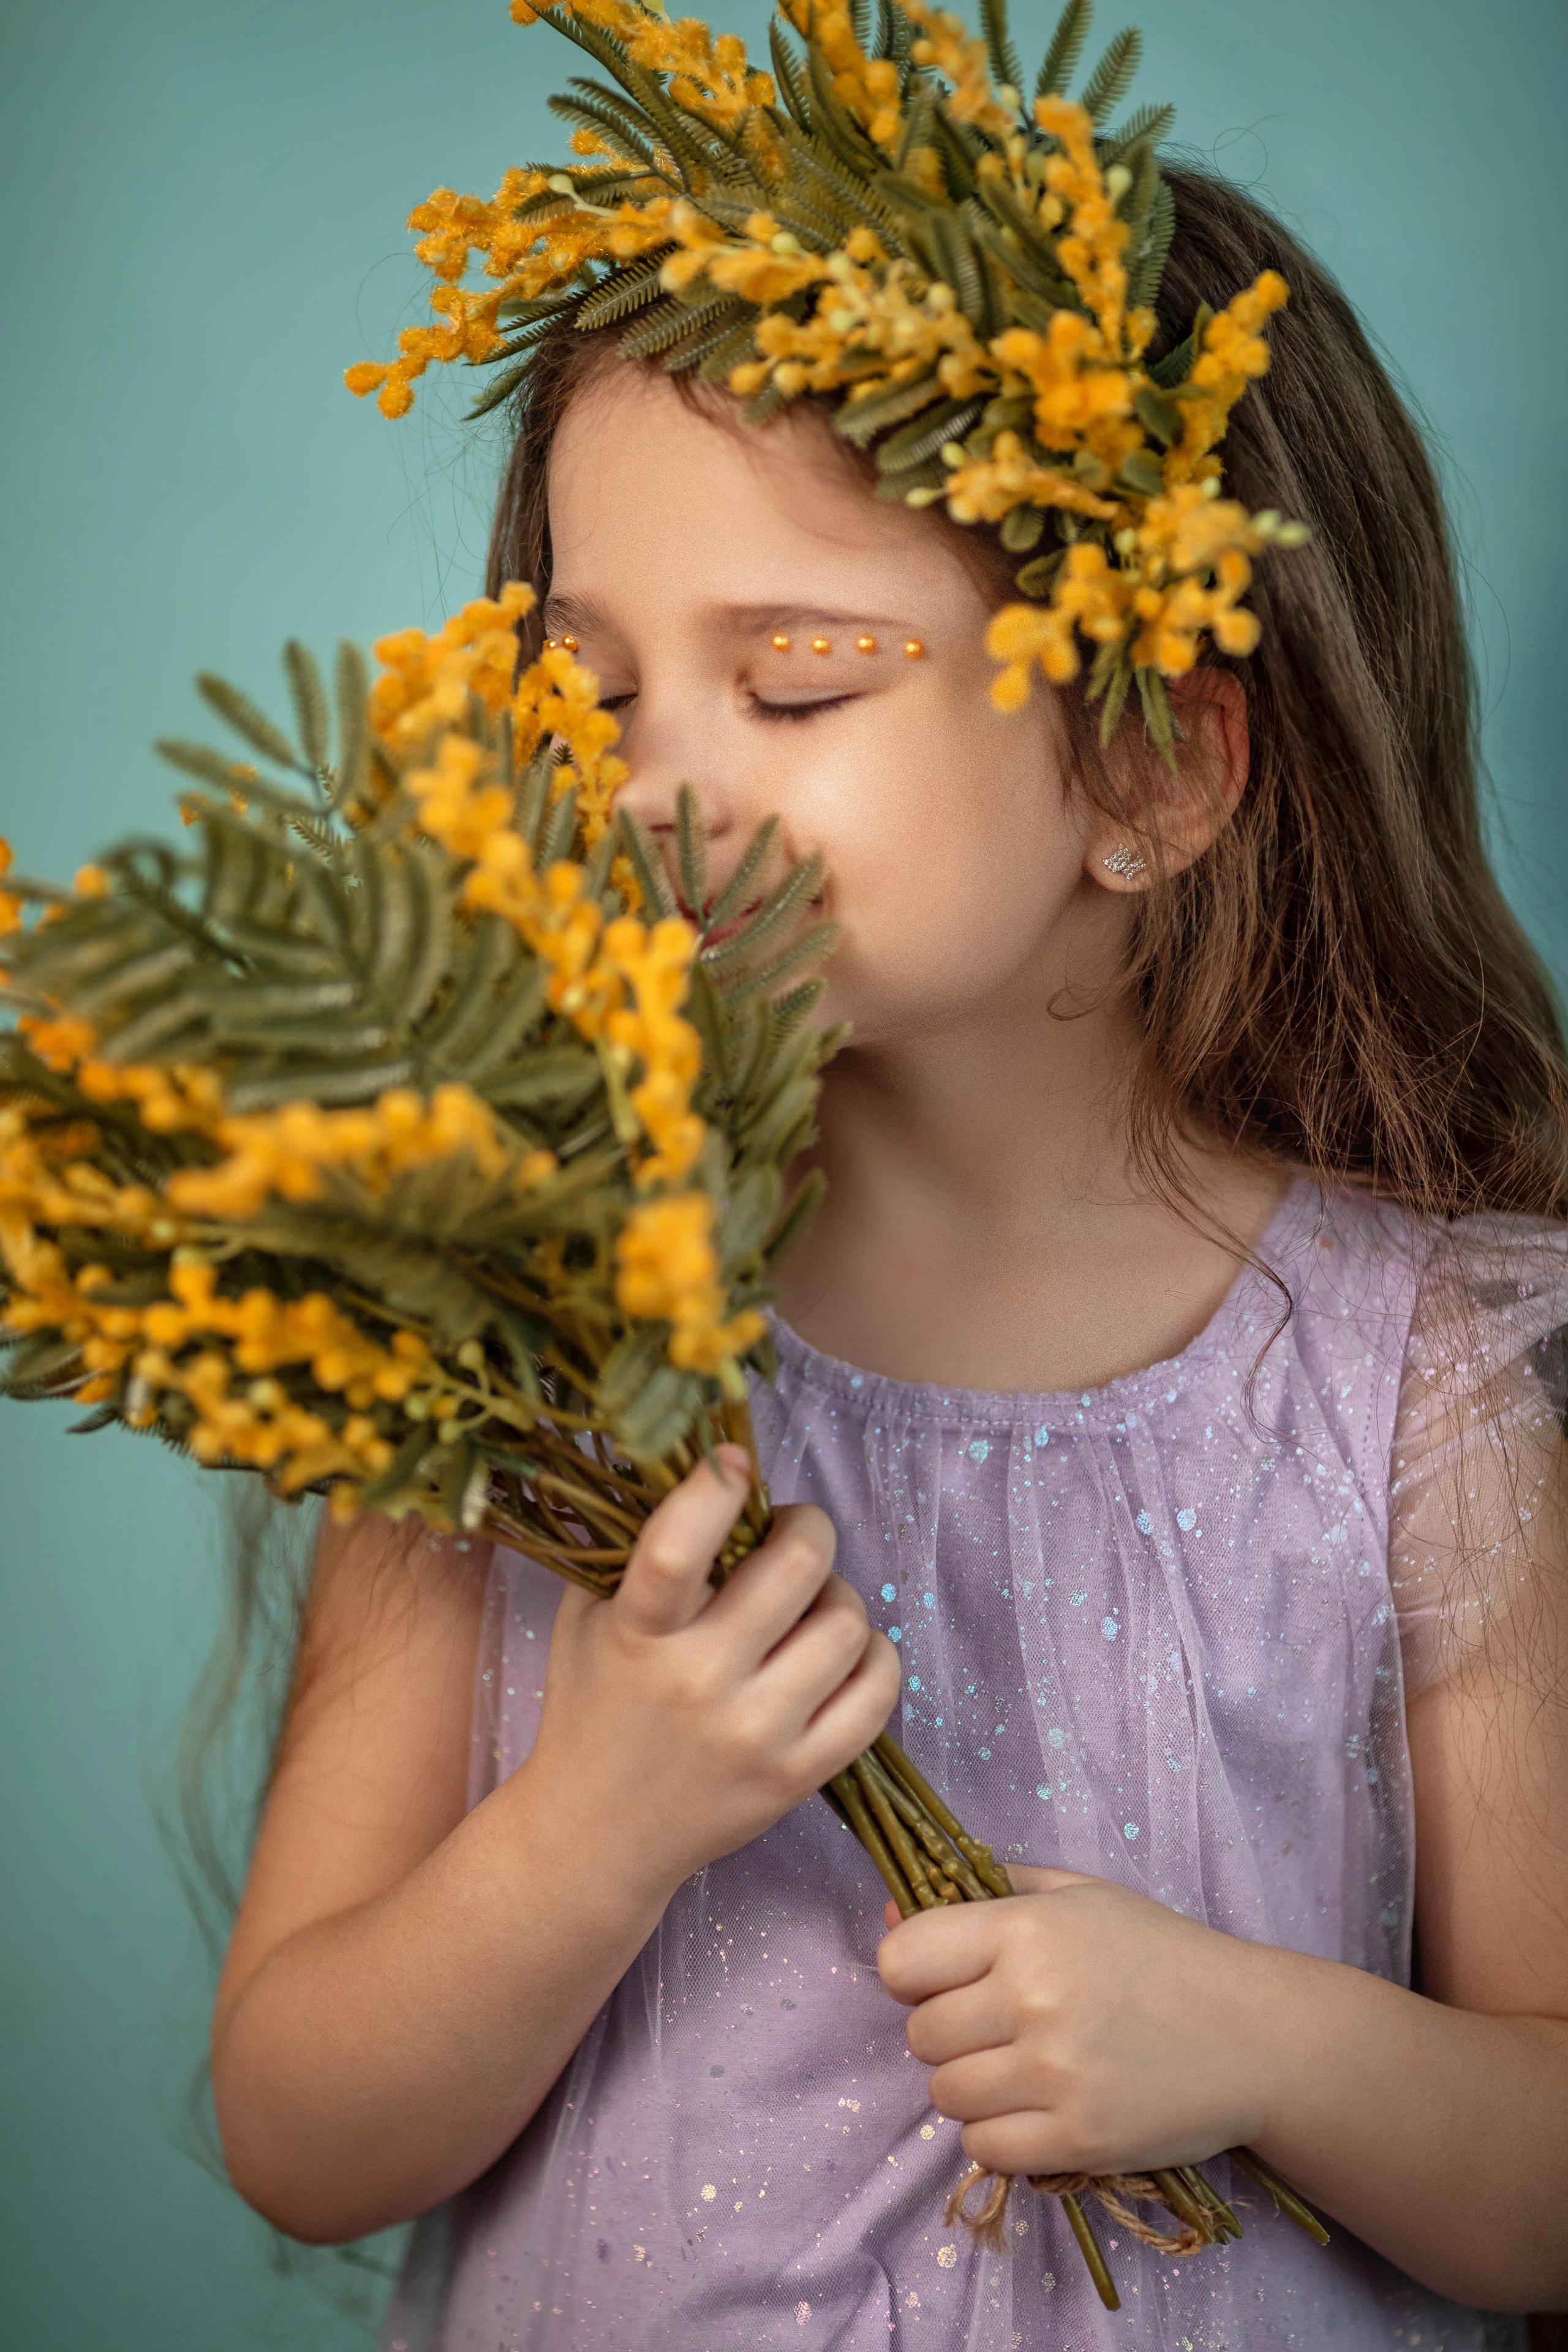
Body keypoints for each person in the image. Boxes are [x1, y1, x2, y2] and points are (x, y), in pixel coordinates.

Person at [209, 4, 1568, 2345]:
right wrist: (593, 1822)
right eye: (594, 690)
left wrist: (1267, 2039)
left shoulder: (1405, 1381)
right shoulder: (508, 1332)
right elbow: (301, 2133)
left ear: (1154, 770)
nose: (654, 792)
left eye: (802, 681)